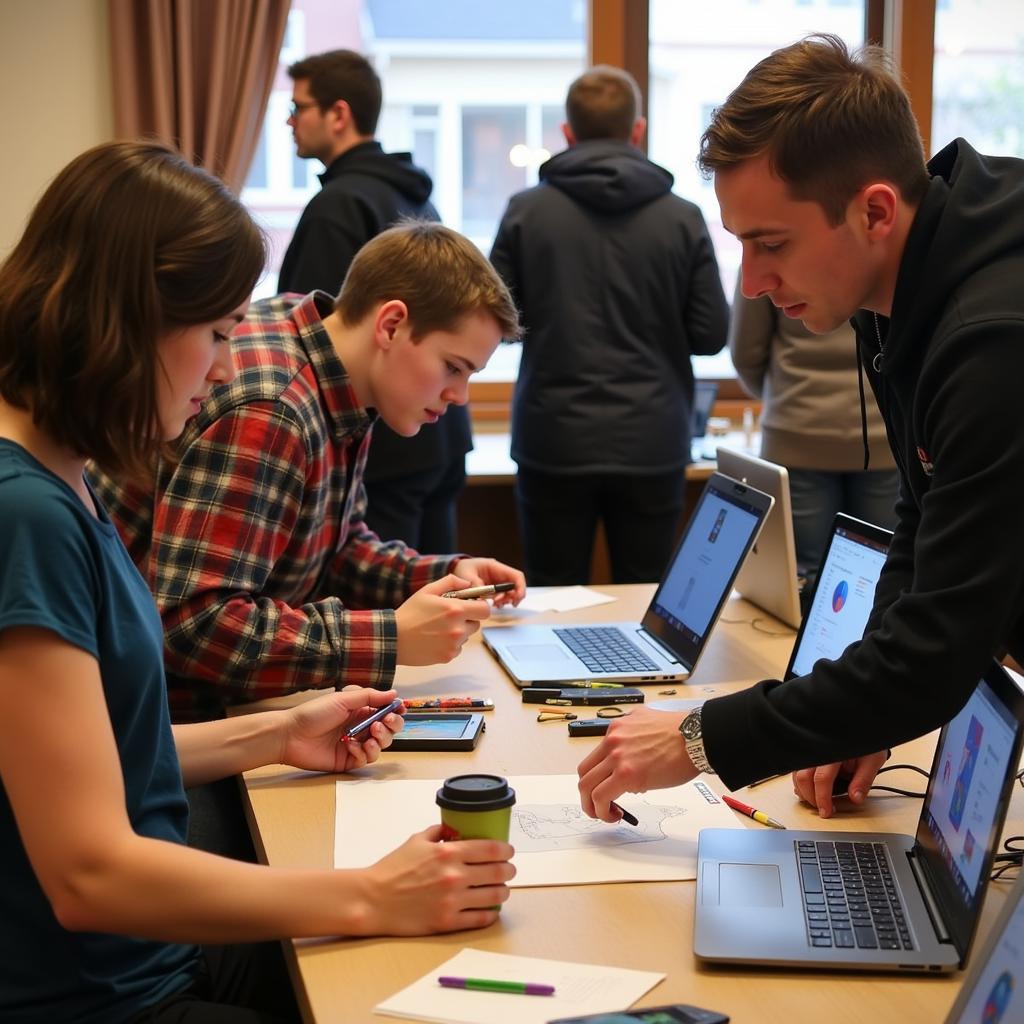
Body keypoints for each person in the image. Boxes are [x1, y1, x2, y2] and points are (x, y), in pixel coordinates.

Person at [0, 140, 515, 1024]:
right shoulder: (32, 516)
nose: (219, 368)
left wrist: (279, 733)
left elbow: (113, 744)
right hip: (101, 990)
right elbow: (89, 874)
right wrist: (366, 895)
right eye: (213, 334)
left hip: (136, 954)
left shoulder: (65, 475)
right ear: (134, 320)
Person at [576, 33, 1024, 823]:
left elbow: (940, 645)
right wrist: (863, 712)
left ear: (874, 211)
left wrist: (700, 738)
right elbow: (921, 528)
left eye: (770, 244)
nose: (752, 283)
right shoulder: (897, 286)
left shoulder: (992, 337)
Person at [90, 220, 524, 726]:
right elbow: (192, 625)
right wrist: (390, 636)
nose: (460, 395)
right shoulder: (273, 409)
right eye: (453, 366)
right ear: (390, 325)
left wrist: (441, 579)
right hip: (160, 726)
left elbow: (330, 546)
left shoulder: (325, 348)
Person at [490, 65, 729, 586]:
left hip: (552, 437)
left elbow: (496, 321)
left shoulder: (525, 213)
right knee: (647, 598)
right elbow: (712, 334)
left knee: (551, 599)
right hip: (652, 439)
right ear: (636, 130)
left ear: (568, 135)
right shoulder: (682, 218)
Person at [279, 48, 473, 552]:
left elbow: (307, 346)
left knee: (394, 617)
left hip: (386, 452)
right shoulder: (415, 196)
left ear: (338, 114)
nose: (289, 120)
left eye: (299, 107)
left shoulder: (338, 206)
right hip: (441, 443)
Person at [729, 286, 899, 577]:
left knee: (805, 580)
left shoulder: (768, 243)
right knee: (880, 574)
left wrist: (782, 396)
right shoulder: (883, 243)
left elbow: (746, 352)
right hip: (881, 431)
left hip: (797, 429)